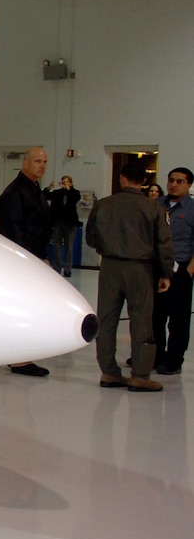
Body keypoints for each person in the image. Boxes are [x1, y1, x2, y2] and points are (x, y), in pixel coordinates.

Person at [86, 162, 174, 391]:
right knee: (141, 320)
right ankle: (141, 375)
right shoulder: (154, 208)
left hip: (110, 267)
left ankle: (108, 371)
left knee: (106, 319)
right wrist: (165, 272)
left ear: (122, 179)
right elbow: (164, 244)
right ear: (144, 181)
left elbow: (91, 238)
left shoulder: (103, 205)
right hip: (140, 268)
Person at [0, 147, 52, 376]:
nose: (41, 165)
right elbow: (16, 232)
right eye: (37, 161)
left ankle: (22, 355)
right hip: (23, 261)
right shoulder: (15, 193)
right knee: (21, 307)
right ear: (25, 163)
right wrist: (33, 260)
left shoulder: (34, 189)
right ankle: (19, 358)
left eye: (45, 162)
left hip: (34, 258)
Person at [153, 166, 194, 375]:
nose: (174, 184)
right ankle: (155, 355)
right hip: (157, 269)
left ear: (188, 185)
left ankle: (174, 359)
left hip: (181, 270)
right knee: (155, 316)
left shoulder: (191, 208)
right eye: (171, 180)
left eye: (179, 181)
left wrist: (189, 270)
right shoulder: (156, 205)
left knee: (178, 318)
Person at [45, 174, 81, 276]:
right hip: (58, 223)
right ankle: (57, 267)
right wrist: (49, 187)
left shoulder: (74, 193)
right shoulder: (57, 193)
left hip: (70, 224)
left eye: (66, 182)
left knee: (69, 247)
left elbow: (75, 198)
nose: (64, 184)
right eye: (63, 182)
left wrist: (69, 189)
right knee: (57, 246)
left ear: (70, 183)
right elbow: (45, 195)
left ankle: (67, 268)